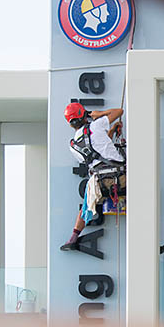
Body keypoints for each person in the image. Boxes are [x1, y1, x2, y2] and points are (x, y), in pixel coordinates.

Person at [60, 102, 124, 251]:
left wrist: (112, 131)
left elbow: (98, 149)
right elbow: (118, 111)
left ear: (70, 125)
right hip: (120, 175)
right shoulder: (96, 125)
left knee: (86, 205)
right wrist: (98, 114)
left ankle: (73, 237)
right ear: (85, 114)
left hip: (100, 183)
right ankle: (150, 240)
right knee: (142, 197)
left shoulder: (73, 146)